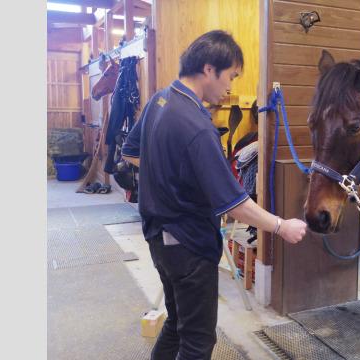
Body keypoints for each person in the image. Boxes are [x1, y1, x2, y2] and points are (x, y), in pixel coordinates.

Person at [121, 30, 307, 360]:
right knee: (197, 341)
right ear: (209, 69)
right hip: (188, 246)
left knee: (177, 323)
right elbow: (235, 205)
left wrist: (170, 177)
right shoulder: (196, 125)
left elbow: (132, 152)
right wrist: (281, 226)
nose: (230, 87)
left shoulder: (160, 100)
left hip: (158, 238)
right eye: (231, 76)